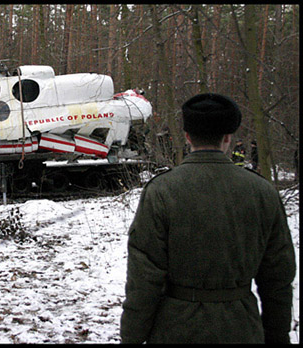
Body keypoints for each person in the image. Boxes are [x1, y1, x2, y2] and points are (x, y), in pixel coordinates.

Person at [120, 93, 296, 344]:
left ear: (188, 136)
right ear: (228, 137)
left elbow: (143, 282)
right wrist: (278, 337)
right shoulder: (263, 192)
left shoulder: (161, 191)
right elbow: (278, 281)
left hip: (176, 329)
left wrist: (131, 338)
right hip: (241, 329)